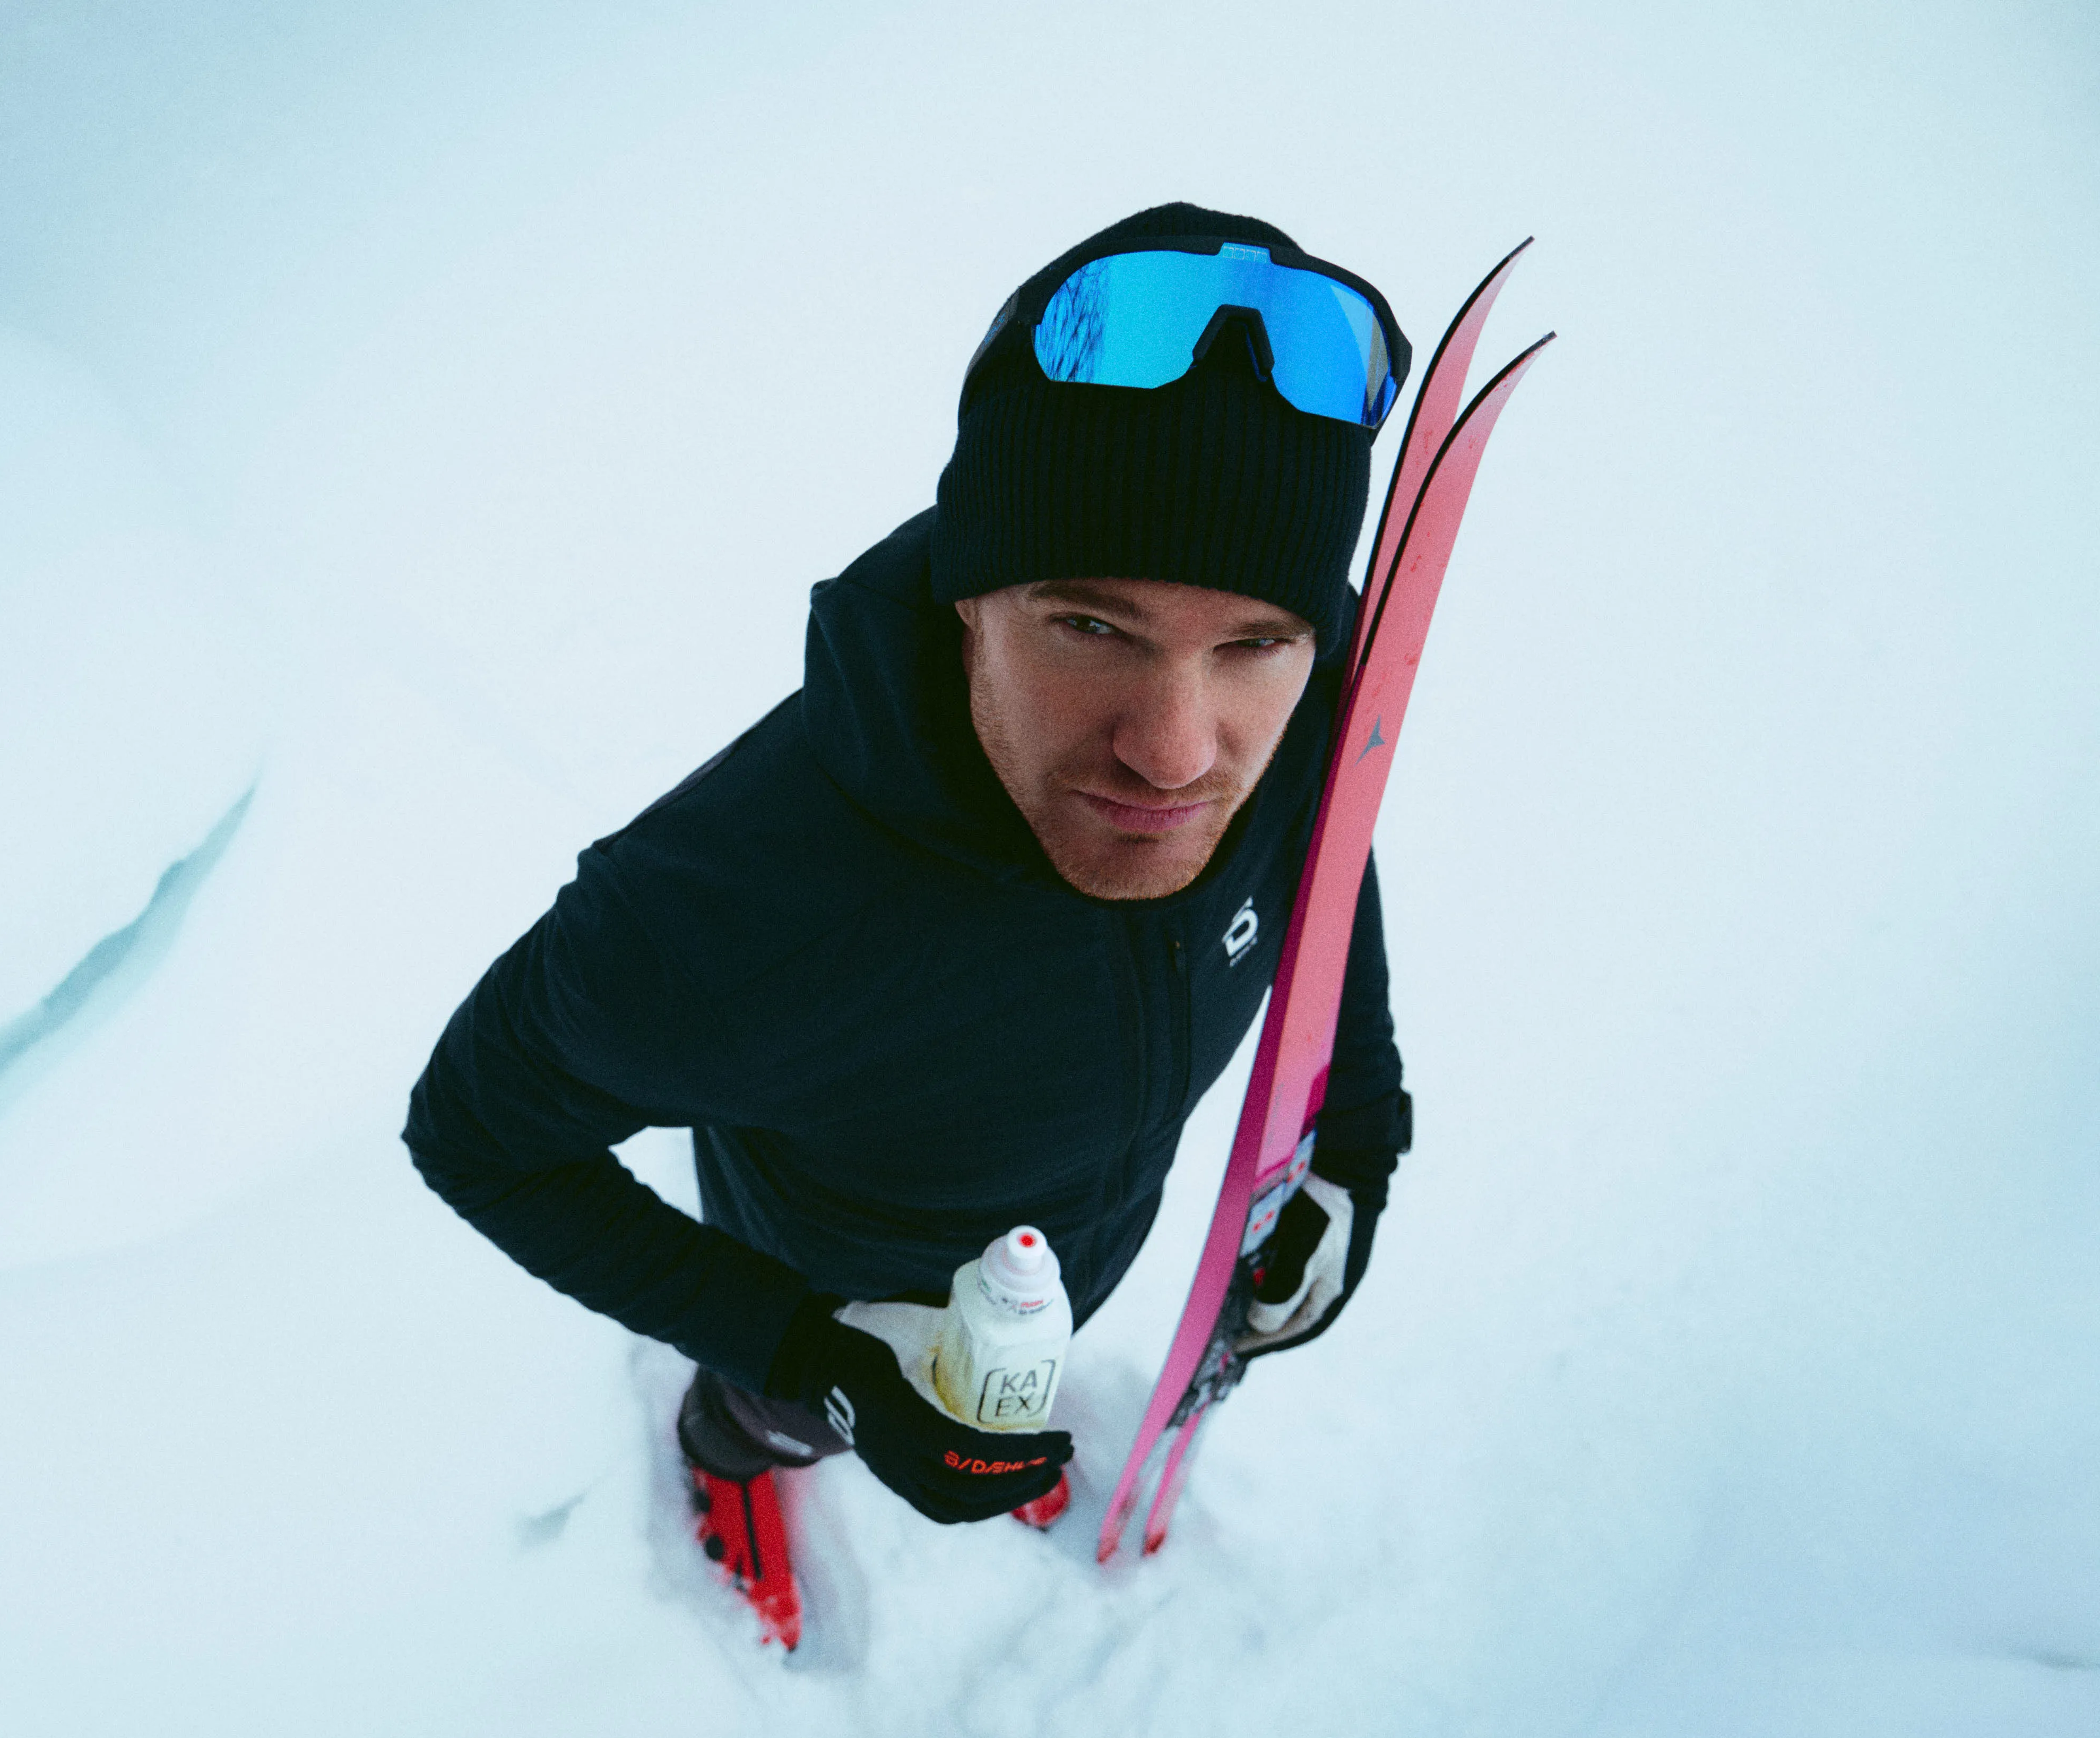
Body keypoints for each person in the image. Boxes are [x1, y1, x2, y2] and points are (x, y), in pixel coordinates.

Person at [404, 202, 1418, 1644]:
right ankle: (728, 1451)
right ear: (968, 602)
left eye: (1253, 644)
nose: (1178, 754)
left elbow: (1327, 856)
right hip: (842, 1285)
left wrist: (1358, 1143)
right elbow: (474, 1132)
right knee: (777, 1419)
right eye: (1092, 629)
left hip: (1081, 1244)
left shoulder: (1301, 712)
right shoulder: (739, 902)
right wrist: (811, 1361)